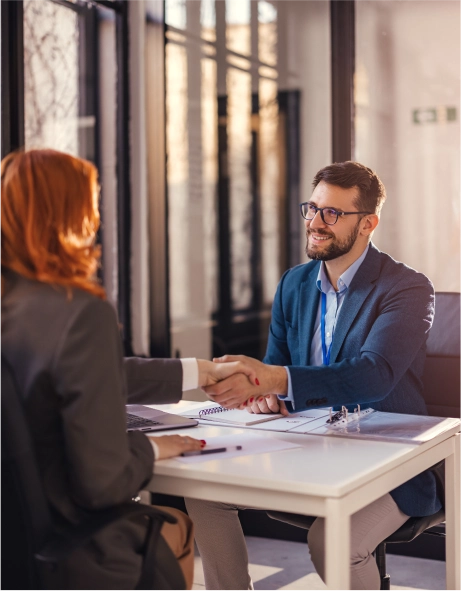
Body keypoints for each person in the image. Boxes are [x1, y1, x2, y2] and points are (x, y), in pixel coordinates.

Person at [0, 149, 255, 591]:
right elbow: (102, 483)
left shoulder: (18, 307)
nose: (97, 218)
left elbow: (88, 371)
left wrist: (197, 371)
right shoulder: (77, 312)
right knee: (177, 525)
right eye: (93, 203)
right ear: (69, 215)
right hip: (75, 547)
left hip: (12, 541)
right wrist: (156, 449)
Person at [186, 161, 439, 591]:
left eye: (332, 214)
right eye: (313, 208)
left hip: (389, 462)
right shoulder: (294, 284)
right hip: (304, 449)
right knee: (204, 492)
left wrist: (276, 381)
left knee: (333, 540)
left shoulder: (407, 288)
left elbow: (373, 376)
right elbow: (276, 368)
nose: (316, 223)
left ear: (368, 224)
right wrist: (260, 392)